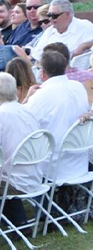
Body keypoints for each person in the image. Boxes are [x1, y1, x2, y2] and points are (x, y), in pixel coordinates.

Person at [0, 73, 44, 231]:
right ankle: (18, 222)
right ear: (15, 92)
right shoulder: (28, 111)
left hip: (14, 180)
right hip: (36, 174)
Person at [24, 50, 91, 190]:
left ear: (42, 73)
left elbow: (21, 123)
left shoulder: (41, 95)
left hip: (52, 168)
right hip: (79, 164)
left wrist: (26, 99)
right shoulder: (78, 87)